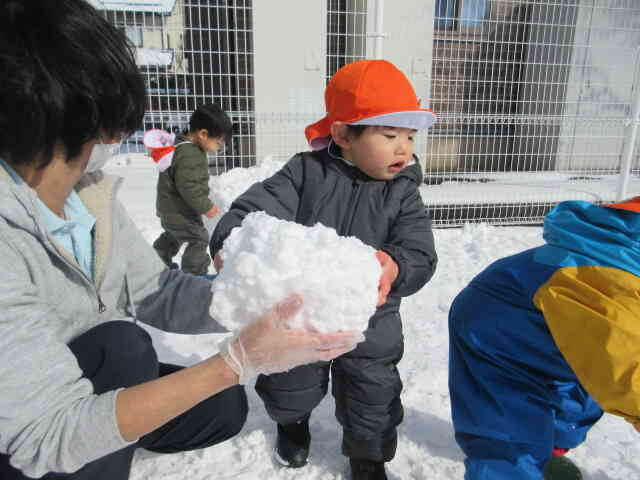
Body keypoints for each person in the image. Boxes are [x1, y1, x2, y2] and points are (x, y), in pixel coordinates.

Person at [0, 2, 363, 479]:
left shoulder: (86, 193)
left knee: (222, 406)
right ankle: (104, 446)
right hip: (33, 416)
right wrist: (235, 361)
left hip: (93, 369)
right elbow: (45, 431)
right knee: (124, 345)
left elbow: (157, 290)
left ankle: (117, 424)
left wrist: (272, 298)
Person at [210, 59, 438, 480]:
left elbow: (419, 250)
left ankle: (367, 454)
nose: (403, 148)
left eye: (409, 135)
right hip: (304, 307)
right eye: (388, 135)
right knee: (290, 377)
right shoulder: (305, 173)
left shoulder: (403, 192)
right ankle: (291, 423)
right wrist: (233, 243)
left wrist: (396, 265)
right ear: (342, 134)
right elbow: (250, 212)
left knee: (373, 389)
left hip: (371, 312)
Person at [448, 197, 640, 479]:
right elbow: (625, 371)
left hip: (557, 336)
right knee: (509, 432)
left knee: (575, 401)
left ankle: (549, 453)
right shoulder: (608, 279)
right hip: (496, 333)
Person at [152, 103, 231, 275]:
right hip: (179, 211)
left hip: (170, 209)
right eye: (218, 142)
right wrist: (206, 206)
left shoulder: (182, 146)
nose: (219, 147)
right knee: (198, 237)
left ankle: (157, 263)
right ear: (203, 134)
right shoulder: (191, 154)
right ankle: (195, 274)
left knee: (174, 235)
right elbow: (188, 186)